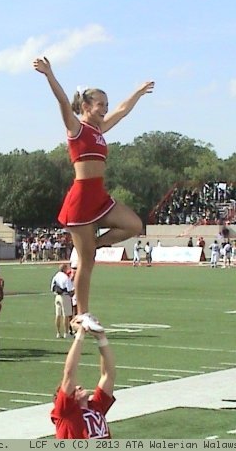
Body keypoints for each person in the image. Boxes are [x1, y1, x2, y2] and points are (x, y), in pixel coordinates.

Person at [34, 56, 153, 328]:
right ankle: (82, 313)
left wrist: (138, 92)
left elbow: (123, 110)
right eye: (100, 105)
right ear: (86, 106)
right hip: (81, 199)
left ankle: (93, 246)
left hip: (100, 197)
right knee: (87, 264)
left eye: (106, 105)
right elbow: (64, 103)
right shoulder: (76, 128)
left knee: (134, 225)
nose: (105, 109)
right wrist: (49, 75)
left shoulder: (99, 128)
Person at [50, 318, 116, 439]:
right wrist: (80, 334)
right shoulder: (65, 412)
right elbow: (70, 374)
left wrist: (101, 338)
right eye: (74, 389)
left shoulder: (96, 406)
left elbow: (108, 375)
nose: (79, 386)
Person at [50, 264, 75, 339]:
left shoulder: (56, 276)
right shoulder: (65, 277)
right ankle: (66, 333)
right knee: (66, 315)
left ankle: (58, 333)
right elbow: (70, 290)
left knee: (58, 315)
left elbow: (52, 287)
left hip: (57, 296)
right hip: (65, 296)